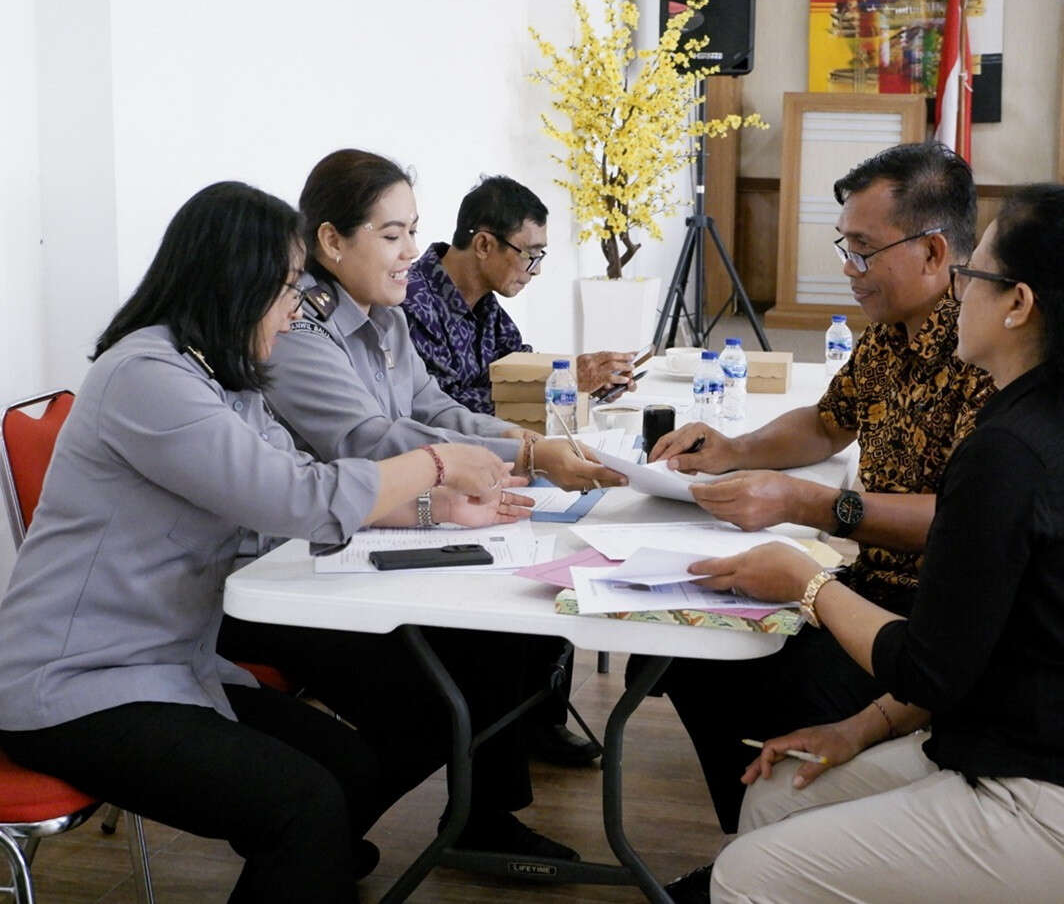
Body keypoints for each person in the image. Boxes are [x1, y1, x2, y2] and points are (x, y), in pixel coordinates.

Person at [0, 182, 517, 903]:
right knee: (302, 806)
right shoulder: (146, 376)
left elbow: (296, 487)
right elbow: (295, 499)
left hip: (168, 663)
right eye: (284, 290)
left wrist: (437, 512)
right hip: (75, 685)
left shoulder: (224, 378)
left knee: (349, 768)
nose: (293, 310)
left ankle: (305, 871)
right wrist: (432, 464)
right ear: (232, 284)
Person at [698, 183, 1064, 903]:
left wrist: (805, 583)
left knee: (746, 876)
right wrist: (858, 728)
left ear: (1018, 303)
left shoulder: (1012, 449)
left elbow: (931, 668)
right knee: (775, 798)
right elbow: (980, 646)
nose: (956, 293)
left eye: (972, 277)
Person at [217, 148, 602, 862]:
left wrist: (528, 443)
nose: (412, 252)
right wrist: (525, 456)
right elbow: (366, 439)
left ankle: (476, 823)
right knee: (440, 696)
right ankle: (311, 837)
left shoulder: (386, 317)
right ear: (332, 241)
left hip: (359, 541)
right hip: (285, 572)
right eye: (392, 234)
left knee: (506, 634)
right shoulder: (298, 329)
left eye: (413, 230)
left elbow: (434, 407)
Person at [649, 145, 995, 886]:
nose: (848, 266)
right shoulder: (888, 333)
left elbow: (972, 523)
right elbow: (826, 422)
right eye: (846, 245)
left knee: (763, 679)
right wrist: (735, 450)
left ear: (934, 251)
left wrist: (812, 504)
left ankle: (793, 862)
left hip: (941, 620)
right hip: (873, 586)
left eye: (863, 248)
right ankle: (759, 849)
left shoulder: (984, 347)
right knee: (693, 653)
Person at [404, 173, 636, 415]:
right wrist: (568, 382)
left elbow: (519, 371)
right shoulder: (411, 303)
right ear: (484, 245)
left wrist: (590, 383)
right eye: (529, 254)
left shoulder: (484, 304)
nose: (536, 270)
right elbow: (442, 410)